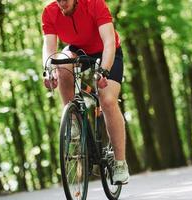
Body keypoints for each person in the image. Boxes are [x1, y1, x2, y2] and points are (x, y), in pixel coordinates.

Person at [41, 0, 129, 184]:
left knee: (107, 101)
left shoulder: (95, 4)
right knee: (61, 62)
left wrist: (104, 70)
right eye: (59, 0)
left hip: (106, 51)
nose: (62, 3)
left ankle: (120, 163)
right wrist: (48, 70)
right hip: (78, 52)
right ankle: (73, 119)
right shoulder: (49, 12)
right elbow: (49, 48)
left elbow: (109, 41)